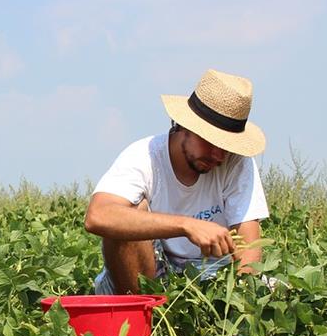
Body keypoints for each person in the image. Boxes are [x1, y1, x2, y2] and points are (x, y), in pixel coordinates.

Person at [85, 68, 269, 295]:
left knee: (280, 294)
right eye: (211, 142)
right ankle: (141, 312)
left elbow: (249, 251)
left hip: (212, 275)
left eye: (227, 147)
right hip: (149, 272)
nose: (218, 156)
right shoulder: (145, 156)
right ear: (185, 126)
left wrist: (239, 303)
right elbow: (98, 216)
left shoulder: (236, 163)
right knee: (130, 212)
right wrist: (187, 225)